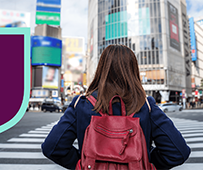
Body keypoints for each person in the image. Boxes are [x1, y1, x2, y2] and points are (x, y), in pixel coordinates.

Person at [41, 44, 190, 170]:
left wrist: (82, 163)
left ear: (102, 69)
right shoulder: (145, 106)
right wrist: (146, 161)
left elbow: (52, 147)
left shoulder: (81, 104)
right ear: (133, 71)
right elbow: (178, 152)